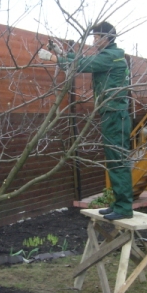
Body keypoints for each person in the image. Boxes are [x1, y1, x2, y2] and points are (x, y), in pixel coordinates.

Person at [38, 22, 133, 220]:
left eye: (96, 37)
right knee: (113, 159)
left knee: (118, 160)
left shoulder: (112, 57)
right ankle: (118, 204)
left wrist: (55, 58)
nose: (93, 41)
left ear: (106, 38)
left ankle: (124, 208)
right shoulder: (109, 56)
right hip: (111, 114)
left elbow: (83, 65)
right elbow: (84, 59)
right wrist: (61, 53)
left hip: (116, 115)